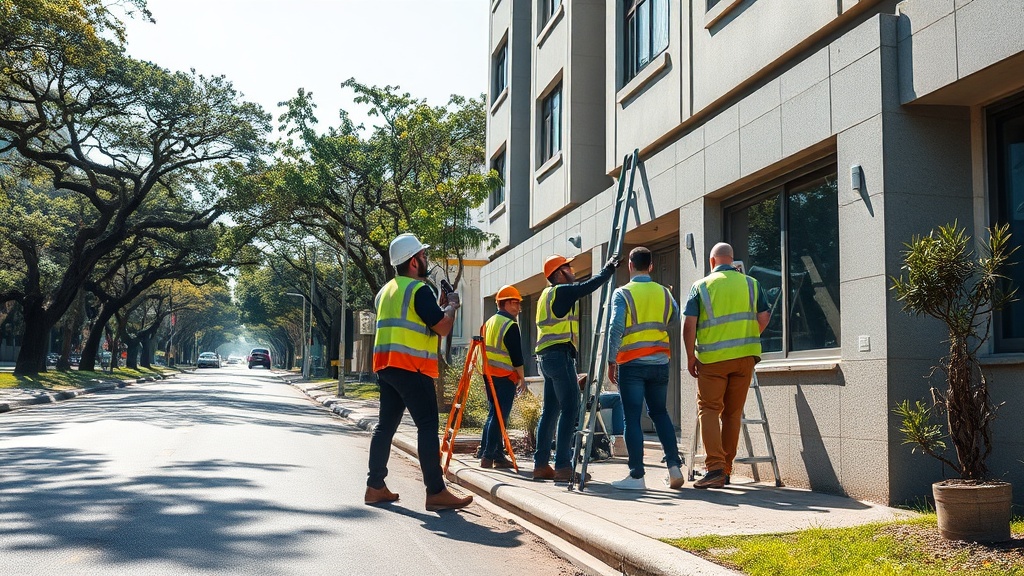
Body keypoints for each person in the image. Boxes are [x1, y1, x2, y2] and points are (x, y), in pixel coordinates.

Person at [365, 233, 473, 511]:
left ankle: (375, 486)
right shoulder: (418, 290)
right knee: (427, 427)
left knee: (385, 427)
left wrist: (438, 307)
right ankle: (436, 492)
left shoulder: (385, 291)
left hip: (386, 366)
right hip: (412, 368)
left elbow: (417, 319)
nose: (426, 260)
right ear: (413, 262)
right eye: (423, 256)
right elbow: (442, 327)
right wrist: (451, 306)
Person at [683, 242, 771, 489]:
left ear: (712, 262)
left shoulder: (701, 286)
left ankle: (715, 469)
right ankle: (727, 468)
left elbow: (689, 325)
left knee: (709, 410)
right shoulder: (752, 283)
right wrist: (747, 338)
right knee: (732, 414)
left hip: (712, 360)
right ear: (732, 260)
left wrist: (691, 356)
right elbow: (764, 316)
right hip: (745, 358)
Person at [533, 253, 619, 481]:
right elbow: (587, 287)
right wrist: (608, 270)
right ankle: (562, 465)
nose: (573, 271)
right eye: (569, 268)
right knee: (571, 408)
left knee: (551, 410)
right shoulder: (561, 290)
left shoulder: (546, 295)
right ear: (559, 273)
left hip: (547, 358)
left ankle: (541, 465)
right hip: (559, 357)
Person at [606, 247, 684, 491]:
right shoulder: (664, 292)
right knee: (660, 413)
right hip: (660, 362)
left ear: (630, 265)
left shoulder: (623, 293)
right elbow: (675, 317)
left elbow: (615, 328)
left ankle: (637, 475)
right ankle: (673, 467)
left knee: (631, 417)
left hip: (632, 364)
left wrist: (611, 359)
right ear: (650, 266)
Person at [480, 284, 527, 469]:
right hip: (505, 375)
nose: (518, 307)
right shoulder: (510, 325)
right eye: (515, 303)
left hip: (489, 374)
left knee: (493, 414)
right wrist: (522, 377)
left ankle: (495, 455)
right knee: (499, 417)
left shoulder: (489, 322)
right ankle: (488, 455)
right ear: (505, 303)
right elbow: (517, 355)